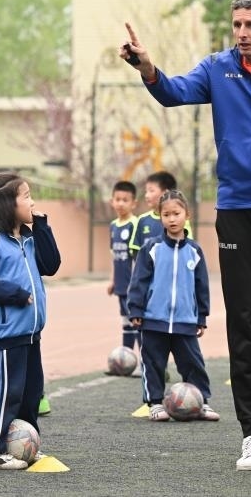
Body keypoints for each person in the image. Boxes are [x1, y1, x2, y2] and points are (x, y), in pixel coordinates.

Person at [121, 0, 251, 470]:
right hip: (239, 210)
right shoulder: (218, 68)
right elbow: (172, 92)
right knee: (243, 323)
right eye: (236, 24)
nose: (241, 33)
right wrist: (146, 66)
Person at [0, 173, 61, 470]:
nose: (32, 202)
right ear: (8, 205)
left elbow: (51, 265)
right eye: (27, 196)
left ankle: (25, 446)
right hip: (6, 335)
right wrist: (15, 294)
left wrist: (42, 226)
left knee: (30, 396)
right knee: (5, 396)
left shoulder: (29, 238)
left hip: (31, 334)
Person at [127, 190, 220, 423]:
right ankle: (155, 403)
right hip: (153, 320)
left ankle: (201, 402)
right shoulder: (151, 248)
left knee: (193, 364)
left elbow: (201, 286)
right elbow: (139, 281)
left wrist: (202, 316)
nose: (171, 219)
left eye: (176, 213)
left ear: (187, 214)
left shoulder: (195, 251)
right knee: (153, 363)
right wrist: (136, 309)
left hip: (185, 321)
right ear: (160, 217)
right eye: (166, 214)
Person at [105, 180, 140, 353]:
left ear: (134, 203)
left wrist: (138, 282)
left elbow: (138, 258)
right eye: (117, 199)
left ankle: (147, 362)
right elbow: (114, 255)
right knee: (126, 322)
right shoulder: (113, 226)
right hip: (120, 284)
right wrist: (112, 280)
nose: (120, 203)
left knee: (137, 322)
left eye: (125, 200)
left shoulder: (136, 224)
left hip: (133, 285)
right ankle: (127, 358)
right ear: (112, 201)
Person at [135, 171, 179, 247]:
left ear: (165, 193)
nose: (146, 195)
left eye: (151, 191)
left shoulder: (180, 219)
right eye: (146, 191)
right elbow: (136, 249)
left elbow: (187, 247)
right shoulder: (142, 220)